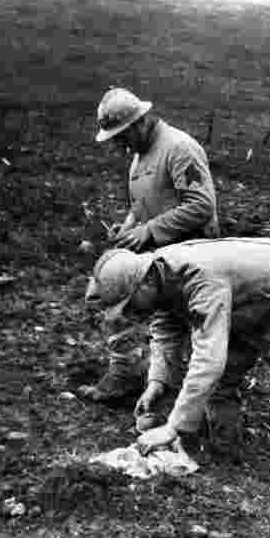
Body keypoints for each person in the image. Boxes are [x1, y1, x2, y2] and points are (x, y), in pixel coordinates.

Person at [83, 238, 270, 487]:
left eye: (130, 303)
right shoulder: (161, 275)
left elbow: (209, 360)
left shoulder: (200, 280)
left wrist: (173, 427)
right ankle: (226, 461)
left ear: (144, 281)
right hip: (243, 302)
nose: (131, 312)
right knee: (220, 387)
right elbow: (165, 330)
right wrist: (157, 381)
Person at [79, 87, 220, 403]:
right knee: (116, 298)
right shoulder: (140, 156)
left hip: (193, 255)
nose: (119, 144)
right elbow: (143, 203)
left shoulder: (180, 147)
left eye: (121, 136)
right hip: (161, 255)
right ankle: (130, 375)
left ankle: (201, 396)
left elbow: (201, 204)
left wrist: (149, 231)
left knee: (194, 326)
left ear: (140, 122)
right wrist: (128, 228)